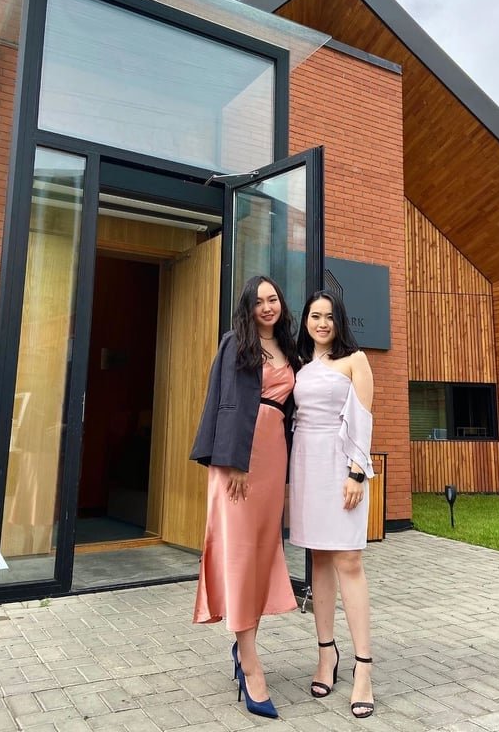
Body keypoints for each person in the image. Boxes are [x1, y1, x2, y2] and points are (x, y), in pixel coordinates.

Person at [191, 275, 300, 719]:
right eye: (259, 301)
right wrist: (234, 461)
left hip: (273, 458)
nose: (267, 307)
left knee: (259, 554)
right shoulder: (235, 342)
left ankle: (244, 648)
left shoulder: (289, 349)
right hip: (239, 458)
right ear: (248, 307)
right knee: (238, 555)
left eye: (273, 299)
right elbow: (224, 402)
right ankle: (251, 665)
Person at [289, 290, 375, 719]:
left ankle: (364, 668)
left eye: (329, 316)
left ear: (339, 321)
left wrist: (357, 473)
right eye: (314, 316)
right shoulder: (300, 366)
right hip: (307, 466)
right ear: (306, 321)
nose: (321, 323)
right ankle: (327, 654)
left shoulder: (355, 360)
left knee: (349, 561)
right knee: (319, 559)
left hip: (341, 467)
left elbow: (363, 419)